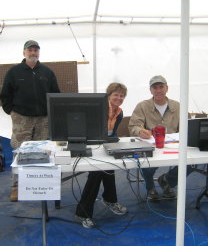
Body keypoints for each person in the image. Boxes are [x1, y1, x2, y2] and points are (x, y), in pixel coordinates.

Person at [0, 40, 60, 201]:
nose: (33, 53)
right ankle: (16, 188)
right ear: (24, 52)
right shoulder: (14, 72)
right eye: (30, 50)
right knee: (19, 152)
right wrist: (12, 113)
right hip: (22, 119)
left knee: (43, 153)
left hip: (43, 120)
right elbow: (5, 95)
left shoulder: (47, 72)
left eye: (36, 50)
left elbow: (56, 95)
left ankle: (41, 186)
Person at [129, 75, 193, 201]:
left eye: (161, 87)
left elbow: (188, 126)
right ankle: (150, 187)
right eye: (155, 87)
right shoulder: (142, 106)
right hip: (152, 148)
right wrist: (140, 131)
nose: (158, 90)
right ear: (150, 90)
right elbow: (133, 126)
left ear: (167, 88)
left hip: (173, 147)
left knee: (191, 163)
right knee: (145, 162)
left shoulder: (178, 106)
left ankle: (166, 181)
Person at [75, 83, 128, 228]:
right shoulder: (99, 109)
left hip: (105, 144)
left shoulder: (120, 113)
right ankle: (83, 213)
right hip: (90, 144)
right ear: (108, 95)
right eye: (116, 95)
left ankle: (110, 199)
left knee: (108, 167)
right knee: (97, 172)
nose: (119, 98)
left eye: (122, 95)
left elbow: (112, 133)